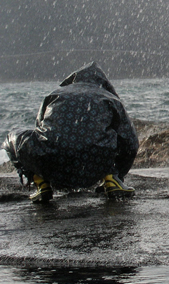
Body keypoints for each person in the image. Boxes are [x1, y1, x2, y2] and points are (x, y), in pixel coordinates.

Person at [2, 62, 139, 202]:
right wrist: (119, 172)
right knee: (111, 137)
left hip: (52, 162)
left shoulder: (55, 94)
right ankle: (111, 179)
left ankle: (40, 181)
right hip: (95, 165)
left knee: (12, 137)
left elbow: (39, 129)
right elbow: (131, 143)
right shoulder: (110, 98)